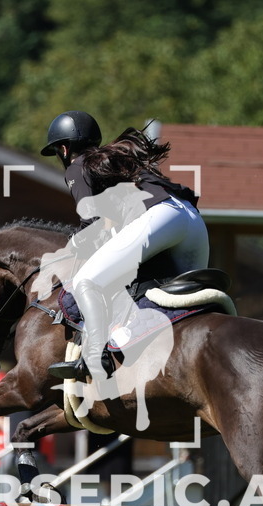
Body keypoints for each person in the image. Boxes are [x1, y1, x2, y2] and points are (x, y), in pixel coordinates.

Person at [40, 111, 209, 382]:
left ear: (64, 149)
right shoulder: (114, 160)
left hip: (159, 217)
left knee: (85, 281)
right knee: (190, 308)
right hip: (190, 220)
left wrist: (73, 245)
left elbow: (92, 222)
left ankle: (95, 356)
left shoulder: (77, 166)